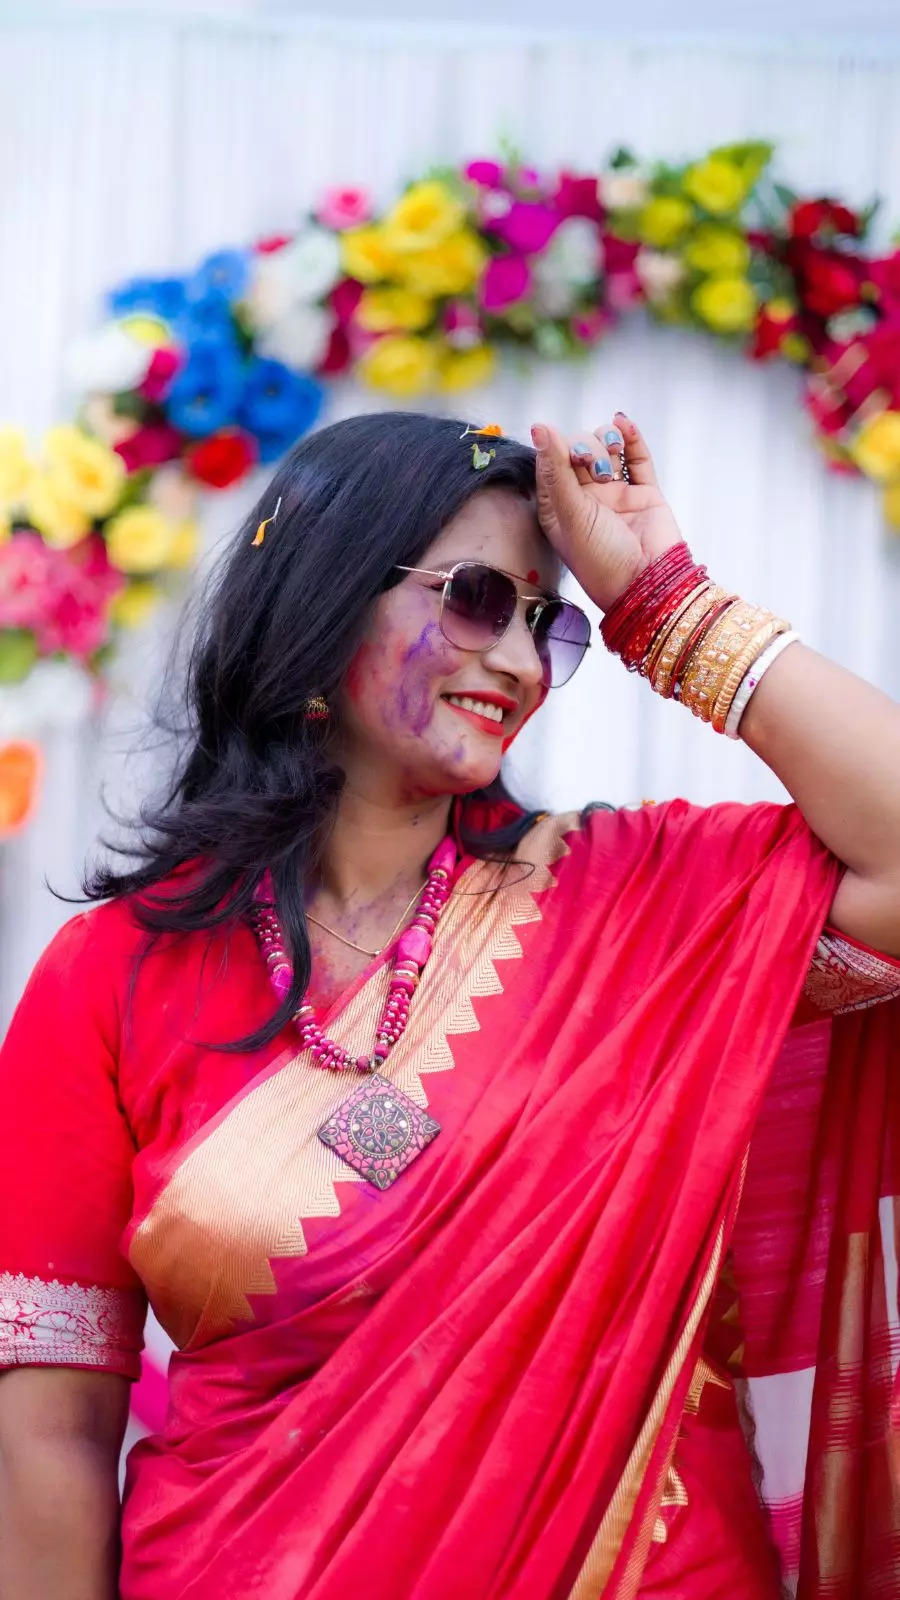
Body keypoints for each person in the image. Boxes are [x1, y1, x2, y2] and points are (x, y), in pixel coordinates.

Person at [1, 409, 899, 1600]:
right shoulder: (115, 970)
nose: (523, 663)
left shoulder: (637, 907)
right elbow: (46, 1431)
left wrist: (666, 607)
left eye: (549, 623)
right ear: (321, 595)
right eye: (478, 597)